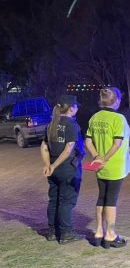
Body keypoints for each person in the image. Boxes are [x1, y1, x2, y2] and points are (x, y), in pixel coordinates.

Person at [84, 87, 130, 248]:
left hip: (99, 167)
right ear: (116, 101)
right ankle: (110, 234)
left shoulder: (94, 117)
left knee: (102, 197)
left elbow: (88, 141)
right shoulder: (119, 118)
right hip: (115, 165)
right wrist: (105, 158)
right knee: (111, 200)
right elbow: (117, 144)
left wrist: (97, 157)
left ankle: (99, 231)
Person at [41, 95, 84, 244]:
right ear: (71, 108)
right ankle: (66, 233)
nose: (77, 108)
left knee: (54, 200)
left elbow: (44, 146)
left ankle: (52, 232)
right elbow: (68, 149)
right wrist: (53, 165)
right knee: (66, 201)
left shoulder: (51, 124)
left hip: (53, 170)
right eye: (76, 105)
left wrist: (48, 165)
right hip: (67, 169)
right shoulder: (71, 125)